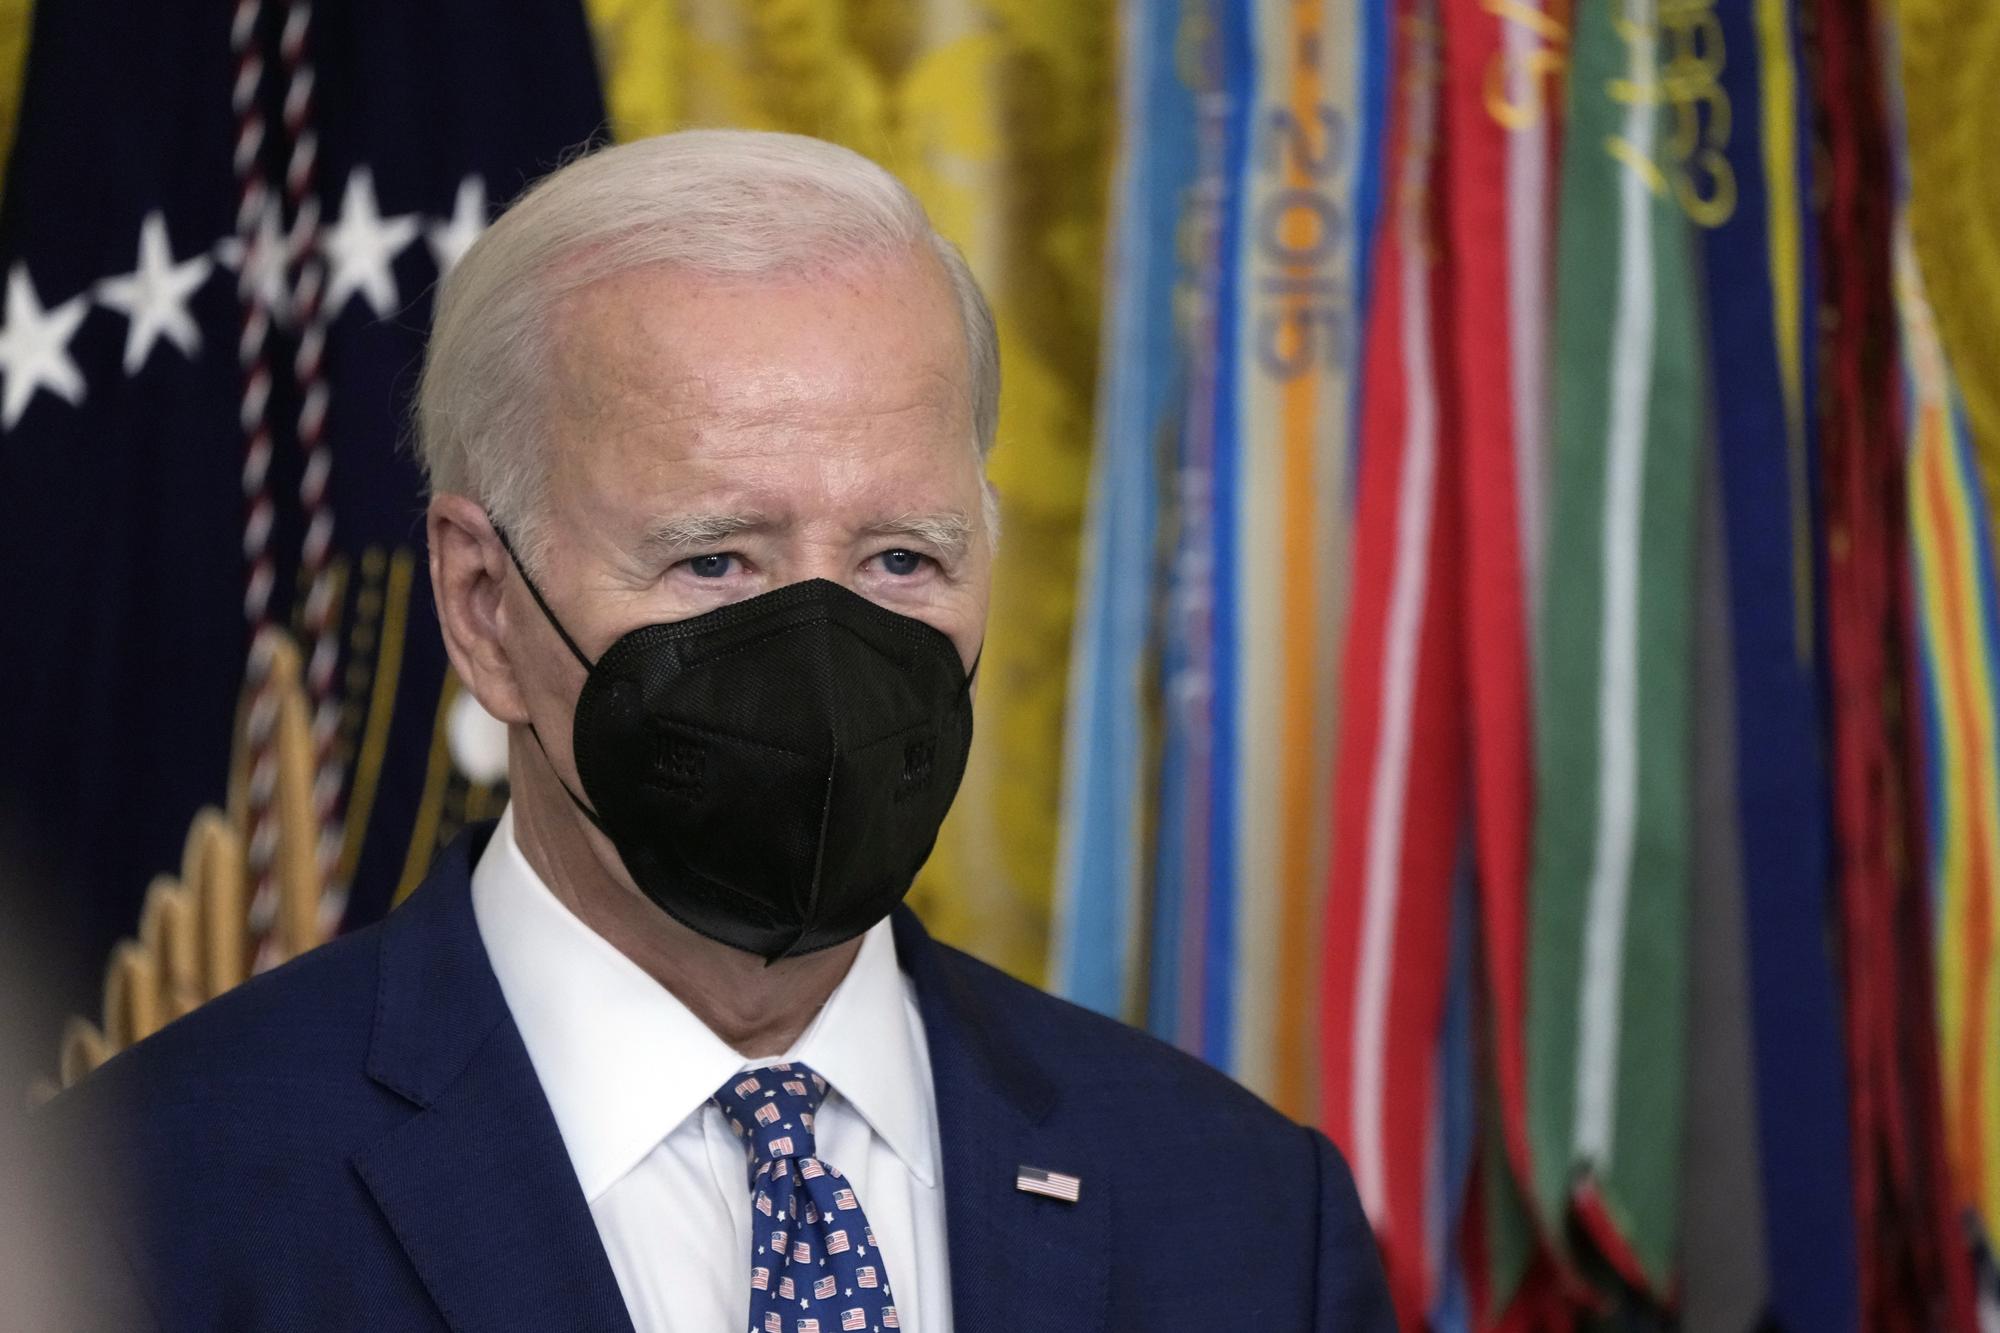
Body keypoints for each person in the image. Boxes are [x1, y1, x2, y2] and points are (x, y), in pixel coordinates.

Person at [43, 130, 1393, 1332]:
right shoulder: (123, 1221)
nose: (820, 648)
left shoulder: (1254, 1216)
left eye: (901, 560)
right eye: (716, 562)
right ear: (483, 603)